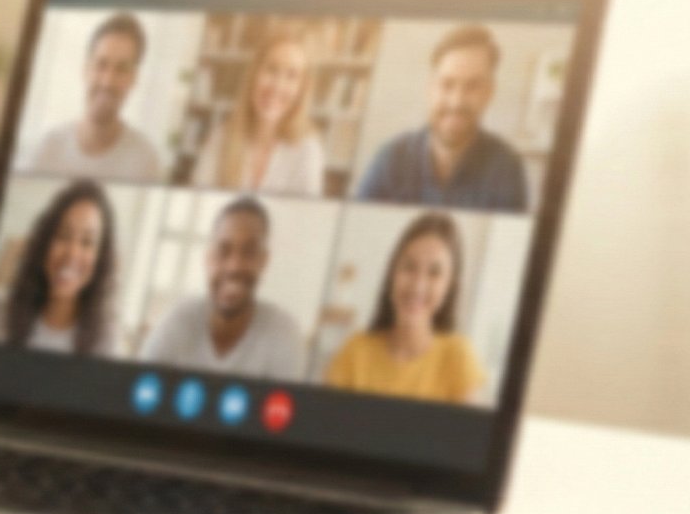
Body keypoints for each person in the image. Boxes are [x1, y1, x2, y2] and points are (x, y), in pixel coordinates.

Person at [355, 24, 529, 211]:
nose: (456, 102)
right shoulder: (390, 159)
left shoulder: (507, 167)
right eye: (447, 84)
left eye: (473, 86)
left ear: (489, 93)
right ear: (430, 88)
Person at [324, 211, 488, 404]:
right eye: (409, 267)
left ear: (449, 287)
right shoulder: (354, 352)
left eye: (434, 273)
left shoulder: (459, 358)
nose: (418, 286)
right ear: (392, 272)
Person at [138, 196, 306, 379]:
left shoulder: (283, 333)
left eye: (249, 252)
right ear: (208, 258)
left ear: (263, 261)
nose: (234, 266)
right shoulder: (178, 320)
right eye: (223, 251)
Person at [17, 13, 164, 181]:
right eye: (101, 65)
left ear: (133, 79)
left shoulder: (145, 162)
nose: (107, 82)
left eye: (122, 69)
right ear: (86, 70)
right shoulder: (45, 150)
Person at [192, 30, 326, 195]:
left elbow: (306, 217)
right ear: (254, 74)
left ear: (302, 90)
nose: (277, 86)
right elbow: (198, 199)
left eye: (291, 76)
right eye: (271, 69)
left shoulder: (308, 150)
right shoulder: (221, 137)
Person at [0, 180, 118, 355]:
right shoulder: (5, 320)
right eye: (63, 235)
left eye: (87, 242)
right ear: (44, 243)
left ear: (101, 259)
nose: (72, 253)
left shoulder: (106, 342)